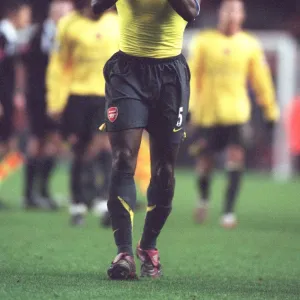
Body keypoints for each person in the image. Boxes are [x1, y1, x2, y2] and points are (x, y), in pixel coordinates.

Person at [92, 0, 200, 280]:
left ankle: (148, 246)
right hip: (128, 71)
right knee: (124, 157)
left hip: (170, 77)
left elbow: (191, 12)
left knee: (165, 169)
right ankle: (124, 253)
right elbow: (95, 6)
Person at [189, 0, 279, 228]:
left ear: (242, 15)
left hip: (237, 113)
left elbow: (262, 80)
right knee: (205, 163)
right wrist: (189, 108)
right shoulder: (204, 41)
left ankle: (228, 211)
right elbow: (192, 77)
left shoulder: (250, 44)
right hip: (208, 114)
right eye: (228, 10)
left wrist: (270, 110)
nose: (231, 15)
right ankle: (204, 199)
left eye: (236, 10)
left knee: (236, 158)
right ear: (220, 13)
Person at [48, 0, 119, 226]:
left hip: (106, 95)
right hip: (76, 94)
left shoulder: (116, 23)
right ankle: (78, 202)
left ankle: (102, 198)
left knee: (104, 145)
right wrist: (55, 100)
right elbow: (58, 64)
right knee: (80, 148)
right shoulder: (69, 24)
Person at [23, 0, 73, 210]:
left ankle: (43, 191)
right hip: (38, 95)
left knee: (54, 142)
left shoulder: (69, 34)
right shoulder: (40, 33)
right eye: (62, 10)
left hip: (59, 95)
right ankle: (29, 194)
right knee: (38, 140)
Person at [0, 1, 32, 208]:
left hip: (7, 98)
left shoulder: (11, 36)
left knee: (7, 145)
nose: (27, 20)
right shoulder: (3, 35)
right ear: (14, 14)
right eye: (25, 15)